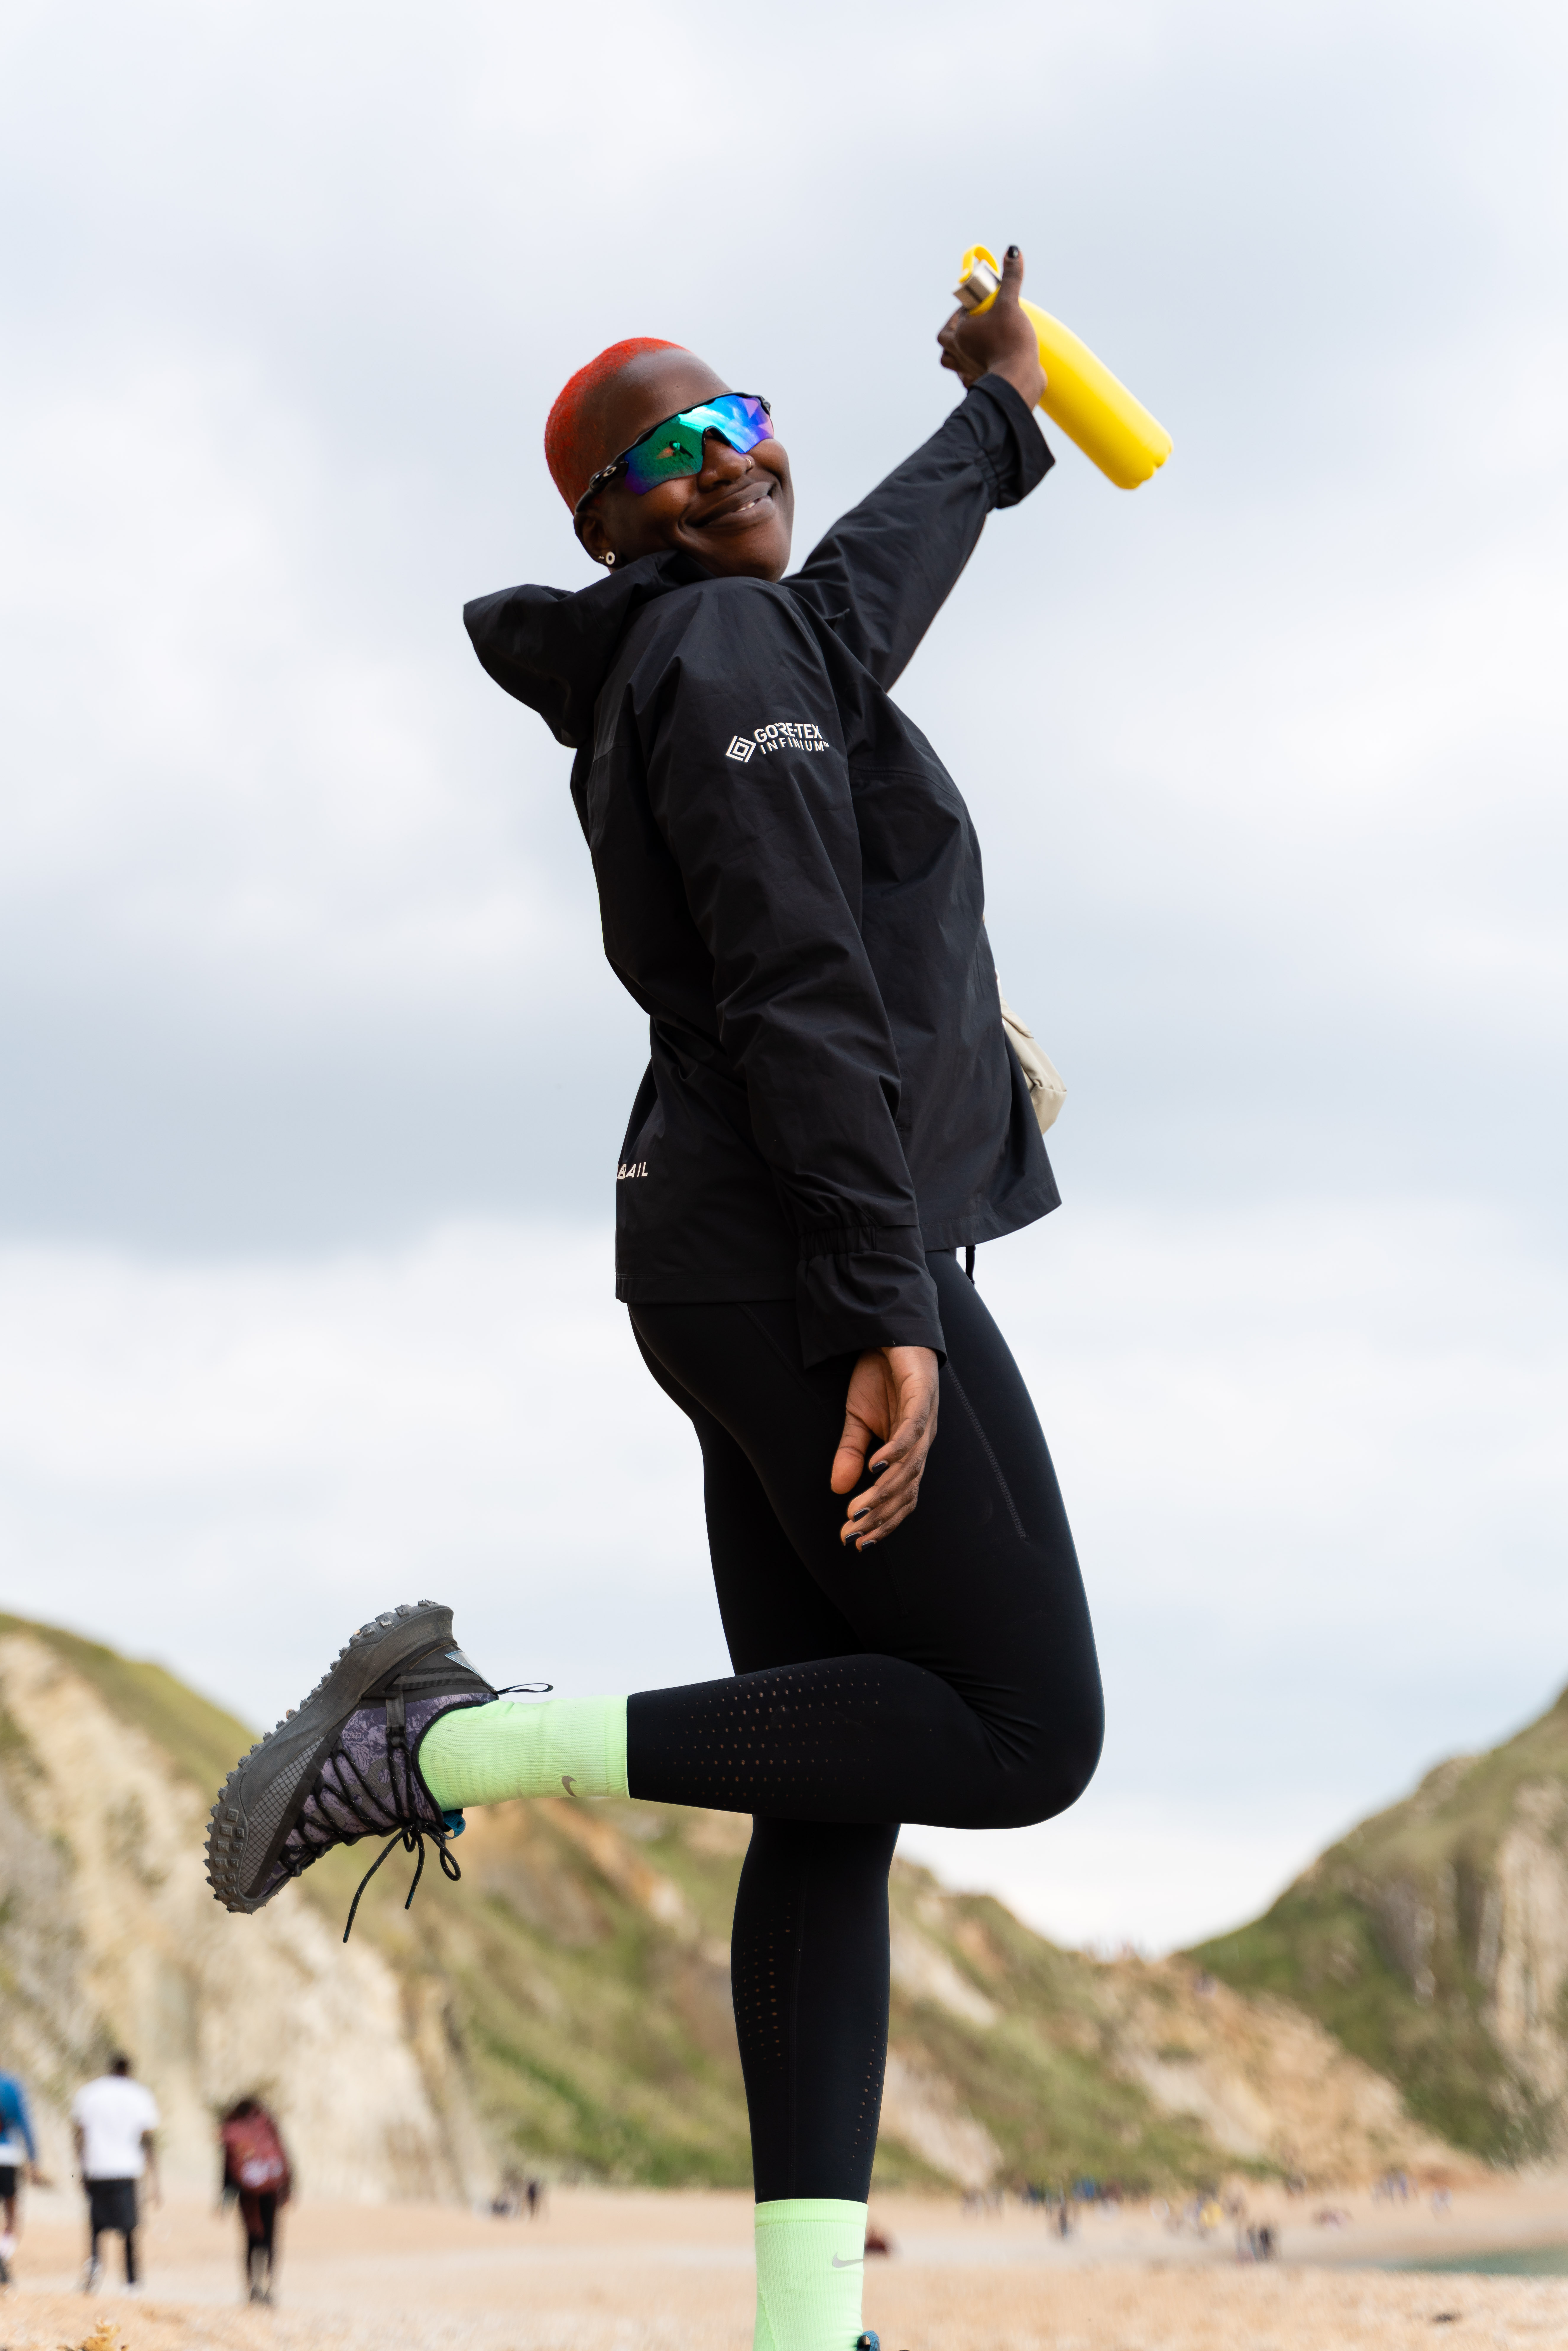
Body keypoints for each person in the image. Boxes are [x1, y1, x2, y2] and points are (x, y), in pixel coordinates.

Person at [207, 245, 1103, 2351]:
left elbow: (863, 598)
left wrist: (995, 412)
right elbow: (797, 981)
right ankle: (448, 1739)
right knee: (1028, 1733)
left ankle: (810, 2330)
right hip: (806, 1249)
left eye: (750, 423)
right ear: (606, 520)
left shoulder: (732, 642)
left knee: (830, 1790)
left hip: (730, 1244)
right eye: (673, 452)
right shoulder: (718, 650)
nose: (734, 464)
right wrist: (887, 1295)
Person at [71, 2055, 159, 2293]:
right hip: (127, 2170)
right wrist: (155, 2180)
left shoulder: (90, 2092)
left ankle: (94, 2273)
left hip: (97, 2168)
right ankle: (132, 2281)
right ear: (129, 2070)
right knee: (129, 2228)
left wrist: (81, 2166)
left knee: (96, 2226)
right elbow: (148, 2139)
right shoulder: (140, 2094)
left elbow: (78, 2132)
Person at [218, 2097, 291, 2303]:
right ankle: (269, 2286)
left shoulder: (232, 2129)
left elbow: (226, 2167)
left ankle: (252, 2287)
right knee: (271, 2237)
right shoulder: (267, 2124)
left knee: (251, 2238)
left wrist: (225, 2196)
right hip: (270, 2189)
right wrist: (288, 2186)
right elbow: (284, 2155)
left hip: (246, 2191)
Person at [0, 2063, 41, 2284]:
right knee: (12, 2213)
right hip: (8, 2156)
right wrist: (34, 2160)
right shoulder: (12, 2086)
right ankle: (3, 2255)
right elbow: (25, 2125)